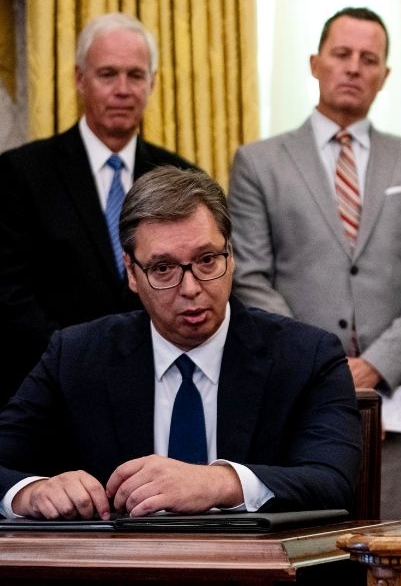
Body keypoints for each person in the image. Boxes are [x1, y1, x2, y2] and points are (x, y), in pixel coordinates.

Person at [0, 168, 361, 519]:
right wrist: (29, 493)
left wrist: (218, 483)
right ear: (132, 273)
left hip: (255, 573)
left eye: (206, 260)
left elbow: (333, 480)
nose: (190, 288)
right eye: (163, 269)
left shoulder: (307, 357)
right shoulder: (76, 356)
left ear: (231, 256)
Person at [228, 7, 401, 521]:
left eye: (368, 58)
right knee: (304, 538)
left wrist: (376, 365)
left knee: (395, 546)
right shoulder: (257, 162)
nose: (354, 67)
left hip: (395, 392)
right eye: (341, 54)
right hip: (294, 387)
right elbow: (249, 275)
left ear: (385, 75)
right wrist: (325, 364)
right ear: (315, 63)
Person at [0, 12, 195, 405]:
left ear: (153, 83)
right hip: (48, 389)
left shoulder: (181, 177)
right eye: (108, 74)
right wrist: (74, 362)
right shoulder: (21, 173)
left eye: (135, 75)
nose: (123, 89)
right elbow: (9, 292)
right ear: (79, 80)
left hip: (157, 390)